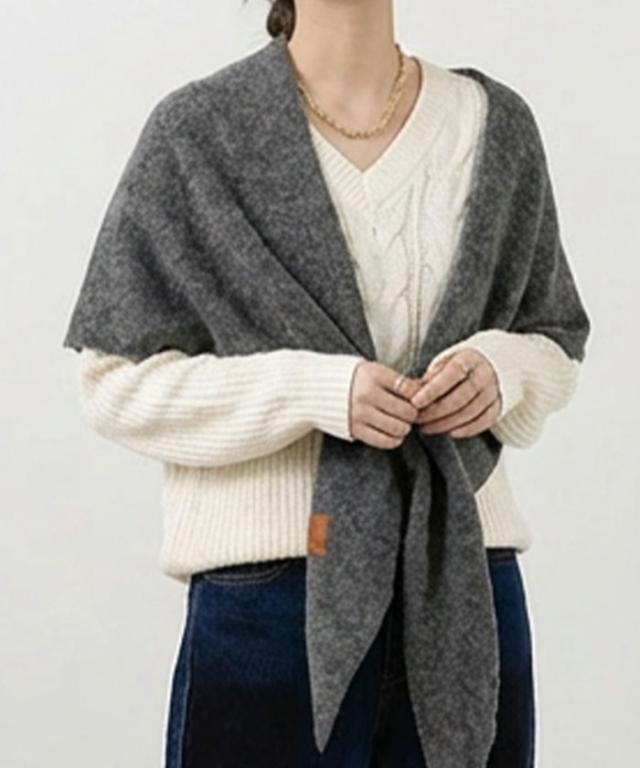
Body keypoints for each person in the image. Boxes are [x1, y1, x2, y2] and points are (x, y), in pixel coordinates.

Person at [72, 1, 585, 765]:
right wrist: (312, 391)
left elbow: (555, 337)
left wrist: (500, 372)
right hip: (272, 594)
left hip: (462, 578)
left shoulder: (493, 125)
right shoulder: (201, 132)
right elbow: (113, 379)